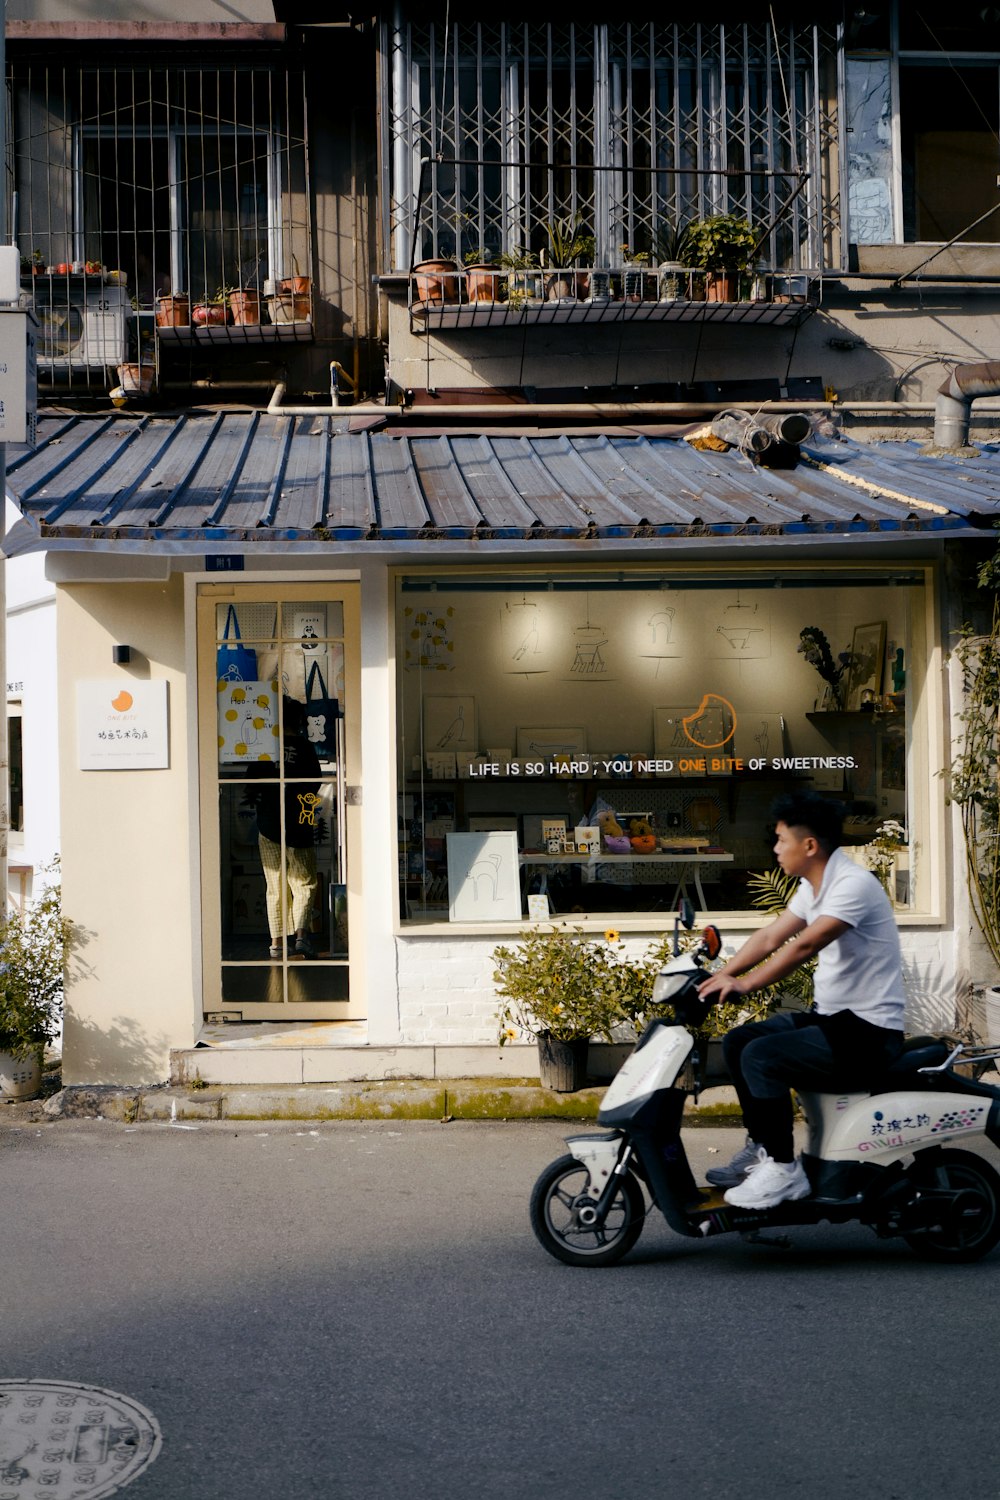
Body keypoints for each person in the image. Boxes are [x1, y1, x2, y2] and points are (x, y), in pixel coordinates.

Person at [697, 792, 906, 1210]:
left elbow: (804, 946)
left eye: (780, 840)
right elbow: (772, 937)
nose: (775, 849)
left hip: (868, 1033)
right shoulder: (815, 888)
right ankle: (762, 1147)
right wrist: (724, 974)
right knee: (739, 1042)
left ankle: (782, 1170)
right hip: (834, 1021)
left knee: (761, 1057)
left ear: (809, 845)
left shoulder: (853, 885)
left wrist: (746, 985)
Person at [247, 696, 322, 959]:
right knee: (304, 883)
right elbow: (315, 782)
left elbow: (252, 781)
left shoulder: (266, 746)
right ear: (300, 722)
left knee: (275, 886)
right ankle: (301, 937)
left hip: (269, 823)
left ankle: (277, 943)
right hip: (299, 823)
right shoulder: (305, 747)